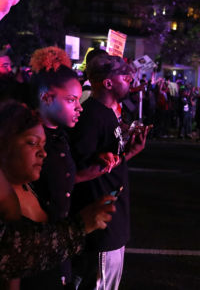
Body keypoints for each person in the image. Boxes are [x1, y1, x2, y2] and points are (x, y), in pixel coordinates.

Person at [0, 100, 116, 285]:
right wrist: (80, 226)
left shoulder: (31, 188)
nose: (43, 153)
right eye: (32, 143)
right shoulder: (4, 200)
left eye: (44, 145)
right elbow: (14, 253)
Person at [69, 55, 149, 290]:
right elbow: (78, 171)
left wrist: (130, 152)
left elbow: (110, 161)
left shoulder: (105, 113)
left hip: (111, 219)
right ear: (108, 83)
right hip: (102, 225)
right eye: (125, 77)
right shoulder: (92, 117)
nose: (130, 81)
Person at [22, 46, 84, 289]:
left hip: (58, 253)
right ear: (46, 97)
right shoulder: (24, 142)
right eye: (71, 100)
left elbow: (60, 182)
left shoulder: (60, 136)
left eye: (79, 100)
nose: (79, 107)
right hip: (34, 262)